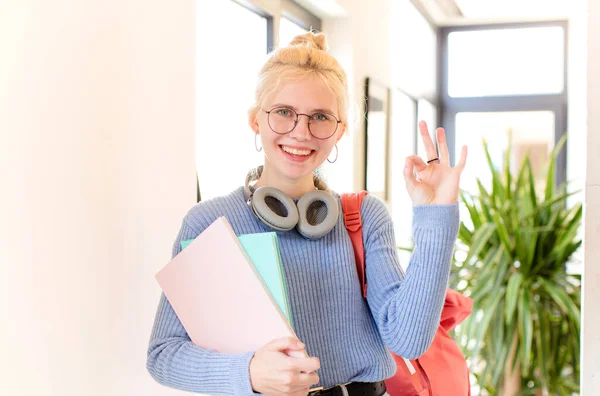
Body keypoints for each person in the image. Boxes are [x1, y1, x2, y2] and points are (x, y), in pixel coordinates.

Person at [146, 31, 468, 396]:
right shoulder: (209, 223)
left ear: (339, 131)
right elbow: (164, 355)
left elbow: (408, 341)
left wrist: (436, 216)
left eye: (320, 117)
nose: (301, 132)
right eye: (283, 112)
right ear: (256, 120)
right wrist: (249, 372)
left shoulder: (364, 217)